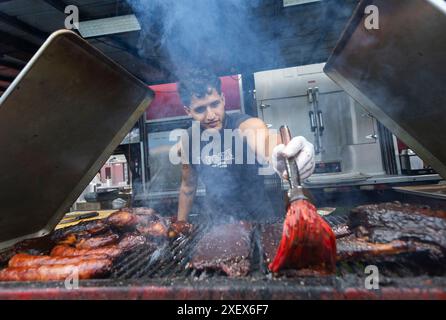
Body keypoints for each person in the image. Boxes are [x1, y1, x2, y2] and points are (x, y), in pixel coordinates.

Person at [176, 69, 315, 222]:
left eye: (215, 104)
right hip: (218, 225)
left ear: (223, 99)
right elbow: (188, 188)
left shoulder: (243, 125)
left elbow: (263, 137)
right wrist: (180, 225)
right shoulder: (189, 139)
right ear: (188, 111)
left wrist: (279, 153)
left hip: (259, 220)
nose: (210, 115)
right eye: (200, 109)